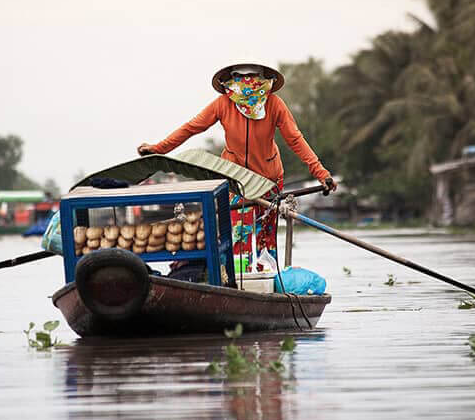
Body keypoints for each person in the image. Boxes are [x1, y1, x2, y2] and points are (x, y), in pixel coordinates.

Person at [137, 63, 336, 273]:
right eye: (240, 78)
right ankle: (240, 279)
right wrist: (159, 149)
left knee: (266, 237)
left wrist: (321, 173)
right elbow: (191, 128)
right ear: (230, 82)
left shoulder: (274, 104)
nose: (247, 83)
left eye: (252, 77)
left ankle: (266, 279)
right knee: (238, 234)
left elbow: (295, 139)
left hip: (269, 179)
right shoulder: (223, 104)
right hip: (236, 181)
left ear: (263, 80)